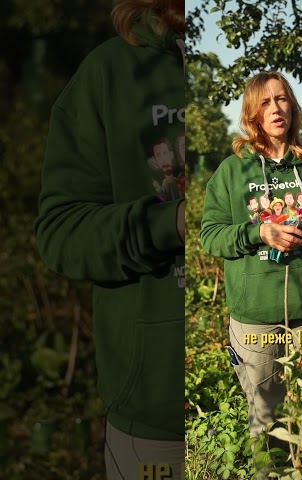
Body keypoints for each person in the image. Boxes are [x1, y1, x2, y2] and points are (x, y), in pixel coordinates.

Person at [34, 1, 185, 478]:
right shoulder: (109, 73)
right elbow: (61, 231)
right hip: (158, 417)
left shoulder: (253, 78)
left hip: (261, 377)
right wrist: (171, 225)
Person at [199, 71, 302, 476]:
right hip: (255, 317)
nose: (276, 108)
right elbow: (210, 236)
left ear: (293, 107)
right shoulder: (232, 172)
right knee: (266, 418)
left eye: (283, 99)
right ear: (253, 113)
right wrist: (260, 232)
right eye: (266, 102)